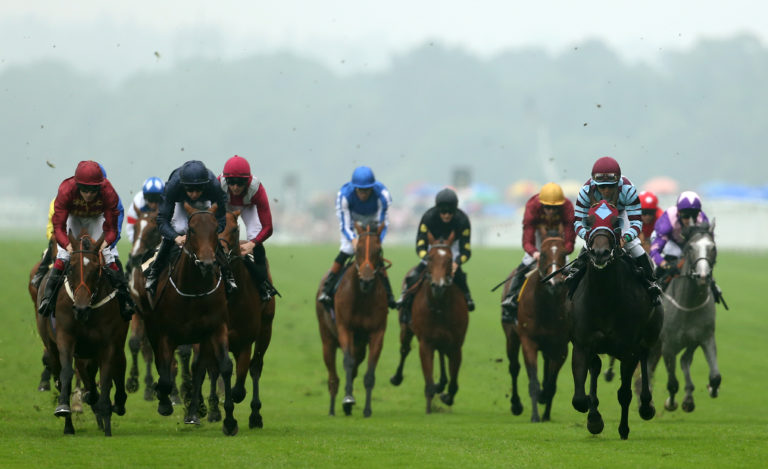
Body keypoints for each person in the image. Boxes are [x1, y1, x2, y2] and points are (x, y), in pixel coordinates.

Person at [38, 160, 133, 320]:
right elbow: (59, 226)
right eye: (84, 190)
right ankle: (48, 298)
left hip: (96, 219)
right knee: (63, 256)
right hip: (73, 218)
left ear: (100, 186)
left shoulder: (109, 192)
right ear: (77, 185)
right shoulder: (66, 190)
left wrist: (105, 244)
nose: (88, 194)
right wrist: (67, 245)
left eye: (93, 190)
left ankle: (125, 300)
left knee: (109, 256)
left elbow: (112, 228)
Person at [565, 156, 662, 304]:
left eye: (611, 186)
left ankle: (652, 283)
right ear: (594, 183)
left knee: (634, 246)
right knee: (588, 247)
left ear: (618, 183)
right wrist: (588, 236)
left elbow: (636, 221)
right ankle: (573, 280)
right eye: (601, 186)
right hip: (597, 217)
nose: (606, 190)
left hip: (620, 214)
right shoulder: (585, 191)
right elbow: (578, 221)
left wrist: (626, 238)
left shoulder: (628, 189)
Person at [144, 160, 234, 296]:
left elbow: (221, 218)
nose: (194, 194)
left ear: (205, 185)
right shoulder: (173, 186)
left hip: (205, 203)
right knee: (179, 228)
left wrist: (212, 231)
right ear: (183, 186)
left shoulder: (214, 186)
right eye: (190, 189)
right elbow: (162, 221)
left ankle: (228, 275)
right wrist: (176, 237)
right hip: (180, 203)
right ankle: (154, 273)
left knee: (208, 234)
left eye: (198, 189)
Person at [317, 165, 396, 309]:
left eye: (367, 190)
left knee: (374, 253)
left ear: (372, 188)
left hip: (373, 221)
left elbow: (383, 223)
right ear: (355, 188)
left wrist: (375, 242)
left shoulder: (383, 196)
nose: (364, 194)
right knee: (346, 250)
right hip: (353, 221)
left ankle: (389, 295)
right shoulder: (344, 196)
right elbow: (345, 225)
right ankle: (326, 290)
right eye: (360, 190)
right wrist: (354, 240)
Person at [501, 182, 575, 324]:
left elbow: (570, 238)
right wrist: (534, 253)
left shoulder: (567, 207)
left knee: (569, 269)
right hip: (538, 239)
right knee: (525, 265)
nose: (551, 211)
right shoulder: (532, 206)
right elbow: (527, 240)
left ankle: (574, 303)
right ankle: (511, 298)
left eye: (555, 208)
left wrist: (563, 252)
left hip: (558, 242)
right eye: (547, 207)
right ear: (542, 204)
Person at [396, 187, 474, 323]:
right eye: (443, 211)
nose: (447, 215)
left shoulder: (462, 220)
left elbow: (466, 250)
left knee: (460, 277)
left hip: (453, 246)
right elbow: (420, 245)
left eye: (450, 212)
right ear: (438, 210)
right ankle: (405, 300)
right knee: (415, 275)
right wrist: (428, 259)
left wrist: (457, 263)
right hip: (433, 247)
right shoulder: (428, 218)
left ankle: (467, 299)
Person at [219, 155, 277, 301]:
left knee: (254, 233)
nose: (235, 187)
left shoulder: (256, 188)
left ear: (248, 181)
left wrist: (253, 243)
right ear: (226, 180)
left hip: (248, 207)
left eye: (240, 183)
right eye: (231, 182)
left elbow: (268, 227)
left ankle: (263, 284)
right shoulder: (218, 184)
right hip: (224, 206)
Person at [649, 191, 723, 300]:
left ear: (699, 213)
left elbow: (709, 249)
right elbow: (654, 252)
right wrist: (667, 266)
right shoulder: (668, 219)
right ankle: (654, 286)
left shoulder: (702, 219)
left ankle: (713, 286)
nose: (690, 220)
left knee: (699, 258)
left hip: (688, 242)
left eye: (694, 215)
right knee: (675, 257)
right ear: (678, 213)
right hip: (670, 240)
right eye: (686, 216)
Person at [125, 176, 165, 244]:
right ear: (144, 197)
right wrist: (138, 244)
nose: (153, 204)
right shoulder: (137, 203)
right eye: (150, 198)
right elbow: (130, 228)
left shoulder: (169, 202)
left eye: (157, 199)